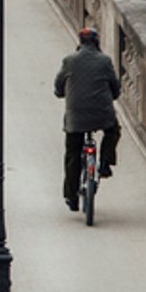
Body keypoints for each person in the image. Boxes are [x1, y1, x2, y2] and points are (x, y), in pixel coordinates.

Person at [54, 27, 122, 212]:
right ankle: (105, 163)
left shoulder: (69, 61)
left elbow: (58, 88)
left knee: (72, 153)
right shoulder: (105, 61)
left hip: (76, 117)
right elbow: (115, 89)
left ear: (80, 42)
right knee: (113, 131)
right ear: (96, 42)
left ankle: (71, 196)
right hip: (102, 114)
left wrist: (61, 92)